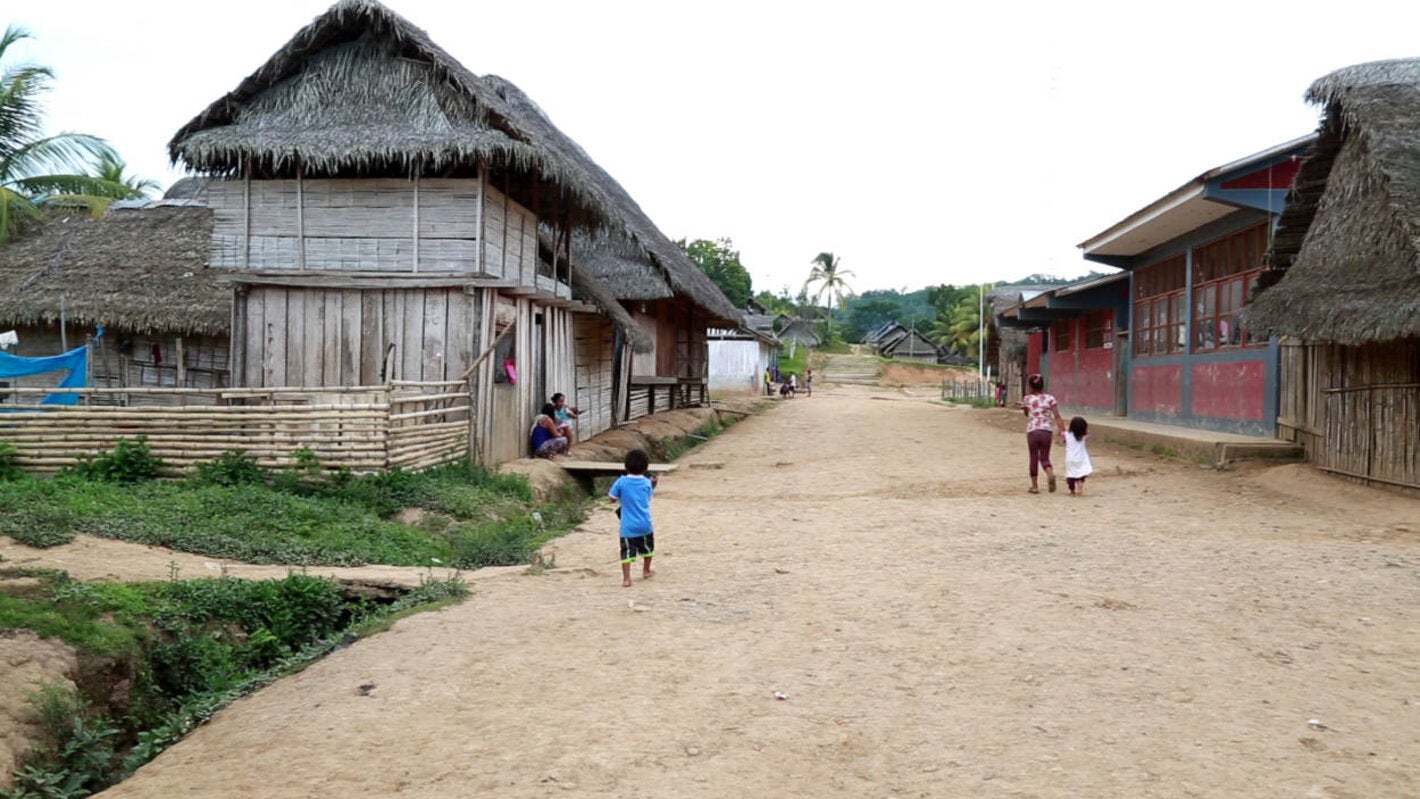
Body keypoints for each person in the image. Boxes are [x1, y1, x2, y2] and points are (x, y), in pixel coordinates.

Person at [608, 448, 658, 587]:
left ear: (626, 466)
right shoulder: (647, 482)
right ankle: (646, 571)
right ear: (646, 467)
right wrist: (653, 485)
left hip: (627, 526)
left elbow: (612, 498)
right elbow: (647, 498)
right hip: (645, 524)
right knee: (648, 549)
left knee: (626, 552)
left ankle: (626, 579)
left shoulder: (621, 481)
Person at [1018, 373, 1065, 493]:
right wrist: (1062, 431)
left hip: (1033, 431)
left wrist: (1025, 407)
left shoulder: (1027, 398)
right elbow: (1057, 416)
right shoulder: (1050, 398)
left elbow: (1027, 414)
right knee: (1044, 457)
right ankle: (1049, 472)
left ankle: (1034, 486)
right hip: (1046, 431)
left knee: (1033, 457)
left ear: (1030, 387)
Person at [1062, 415, 1094, 496]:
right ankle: (1080, 482)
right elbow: (1087, 433)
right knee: (1081, 472)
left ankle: (1072, 490)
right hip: (1081, 458)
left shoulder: (1067, 435)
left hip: (1070, 459)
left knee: (1070, 474)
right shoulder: (1083, 436)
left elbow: (1060, 433)